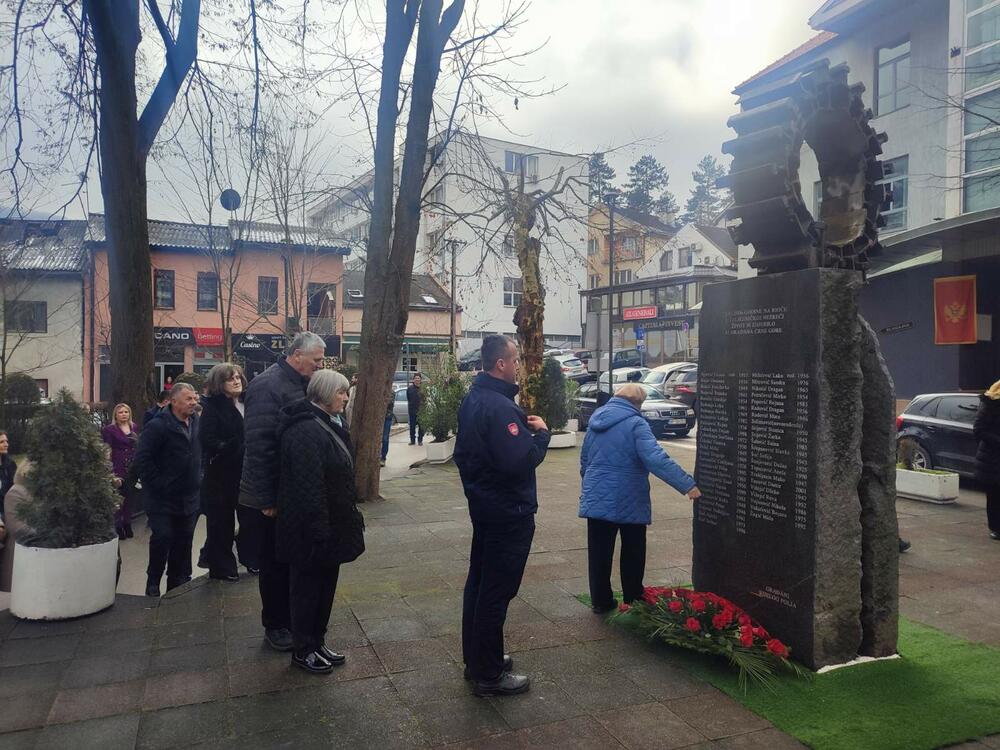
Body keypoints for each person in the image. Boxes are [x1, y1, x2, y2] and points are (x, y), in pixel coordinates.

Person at [455, 334, 550, 697]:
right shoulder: (499, 407)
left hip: (486, 508)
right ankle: (489, 674)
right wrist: (540, 435)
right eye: (515, 360)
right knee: (495, 592)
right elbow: (518, 463)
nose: (519, 366)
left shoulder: (475, 400)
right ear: (501, 364)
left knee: (479, 586)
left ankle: (478, 660)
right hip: (508, 513)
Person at [579, 383, 701, 613]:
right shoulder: (636, 424)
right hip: (629, 496)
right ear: (638, 403)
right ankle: (633, 597)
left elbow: (585, 460)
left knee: (599, 552)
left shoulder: (596, 420)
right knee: (633, 549)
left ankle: (601, 601)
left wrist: (589, 487)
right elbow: (656, 459)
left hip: (596, 495)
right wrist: (687, 485)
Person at [240, 331, 326, 652]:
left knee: (292, 560)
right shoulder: (267, 386)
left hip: (292, 491)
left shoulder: (303, 383)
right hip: (271, 496)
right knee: (274, 564)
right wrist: (267, 500)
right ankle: (275, 624)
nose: (319, 366)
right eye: (316, 361)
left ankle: (290, 619)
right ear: (296, 355)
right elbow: (260, 447)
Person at [276, 370, 364, 673]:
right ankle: (303, 649)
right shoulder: (304, 430)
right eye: (340, 392)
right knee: (307, 591)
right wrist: (319, 530)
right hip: (310, 530)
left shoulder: (325, 424)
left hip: (328, 526)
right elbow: (308, 486)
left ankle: (317, 641)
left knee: (324, 589)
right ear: (325, 394)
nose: (345, 396)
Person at [134, 383, 202, 597]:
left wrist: (200, 476)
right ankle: (153, 580)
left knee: (184, 540)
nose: (194, 403)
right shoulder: (158, 426)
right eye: (188, 399)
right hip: (162, 498)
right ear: (173, 401)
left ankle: (176, 582)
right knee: (163, 537)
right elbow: (143, 460)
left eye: (194, 398)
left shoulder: (197, 422)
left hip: (189, 496)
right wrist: (160, 483)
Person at [199, 363, 254, 580]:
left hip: (247, 472)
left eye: (238, 377)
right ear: (219, 383)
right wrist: (230, 446)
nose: (237, 381)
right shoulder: (212, 406)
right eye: (230, 378)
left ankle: (251, 559)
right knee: (221, 523)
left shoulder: (248, 402)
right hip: (221, 474)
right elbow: (207, 439)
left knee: (250, 518)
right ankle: (222, 567)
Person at [101, 404, 139, 540]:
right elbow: (107, 449)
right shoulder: (109, 430)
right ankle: (117, 524)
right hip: (117, 463)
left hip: (132, 465)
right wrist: (109, 468)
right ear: (115, 415)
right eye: (120, 412)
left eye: (126, 412)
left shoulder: (134, 427)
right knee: (118, 496)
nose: (123, 414)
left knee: (130, 495)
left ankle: (127, 523)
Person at [0, 460, 34, 592]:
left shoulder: (42, 494)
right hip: (20, 555)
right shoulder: (16, 493)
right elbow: (19, 529)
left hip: (37, 554)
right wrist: (51, 532)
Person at [974, 379, 1000, 541]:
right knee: (995, 495)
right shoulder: (990, 405)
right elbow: (979, 430)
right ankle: (996, 528)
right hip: (992, 459)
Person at [0, 432, 17, 517]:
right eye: (1, 442)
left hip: (10, 510)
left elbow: (15, 488)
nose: (6, 444)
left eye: (6, 441)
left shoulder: (10, 463)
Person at [407, 374, 425, 446]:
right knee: (412, 427)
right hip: (412, 411)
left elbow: (425, 399)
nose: (417, 379)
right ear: (413, 379)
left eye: (418, 378)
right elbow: (408, 398)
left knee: (421, 427)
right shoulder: (410, 388)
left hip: (421, 411)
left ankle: (420, 440)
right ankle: (412, 441)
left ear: (420, 380)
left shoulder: (423, 388)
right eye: (416, 378)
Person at [380, 395, 394, 467]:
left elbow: (388, 402)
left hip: (387, 417)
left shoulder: (391, 392)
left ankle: (383, 458)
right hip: (378, 417)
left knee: (385, 438)